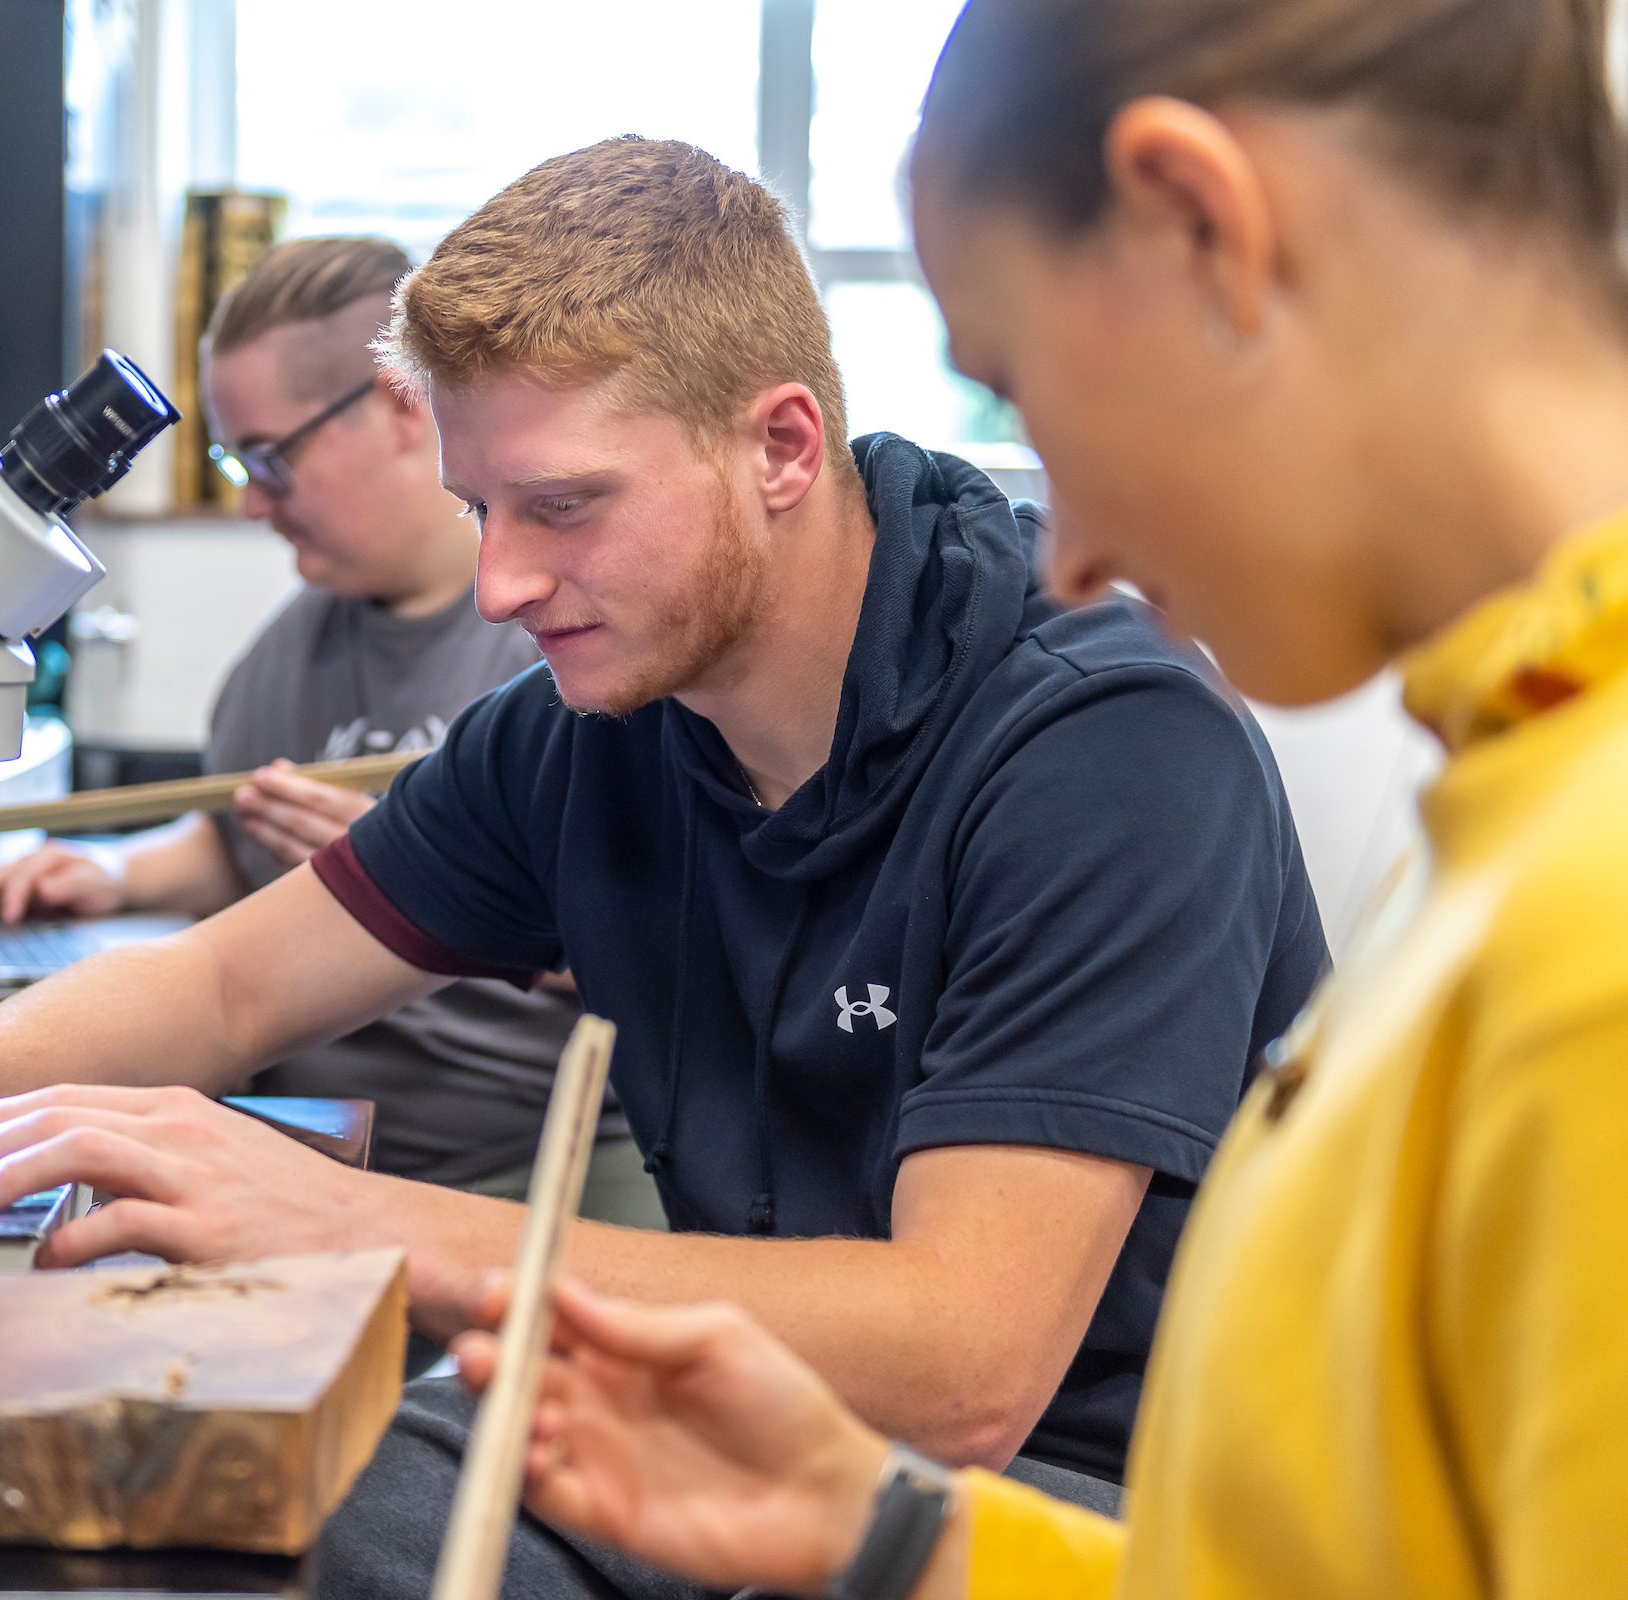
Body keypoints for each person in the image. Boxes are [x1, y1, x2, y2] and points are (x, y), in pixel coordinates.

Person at [0, 135, 1324, 1578]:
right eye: (481, 513)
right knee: (263, 1541)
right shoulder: (585, 730)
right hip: (708, 1411)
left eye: (564, 507)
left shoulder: (1101, 754)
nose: (501, 588)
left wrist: (340, 1218)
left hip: (1078, 1509)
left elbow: (968, 1362)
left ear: (783, 448)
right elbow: (240, 978)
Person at [446, 1, 1628, 1596]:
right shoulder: (1518, 809)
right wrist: (900, 1536)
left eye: (1032, 387)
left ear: (1203, 225)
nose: (1067, 554)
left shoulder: (1589, 940)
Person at [0, 236, 659, 1222]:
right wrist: (111, 870)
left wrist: (423, 878)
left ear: (402, 406)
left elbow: (680, 938)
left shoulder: (571, 649)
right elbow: (240, 841)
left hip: (528, 1170)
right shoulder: (292, 649)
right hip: (317, 1143)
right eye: (236, 461)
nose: (250, 503)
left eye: (271, 458)